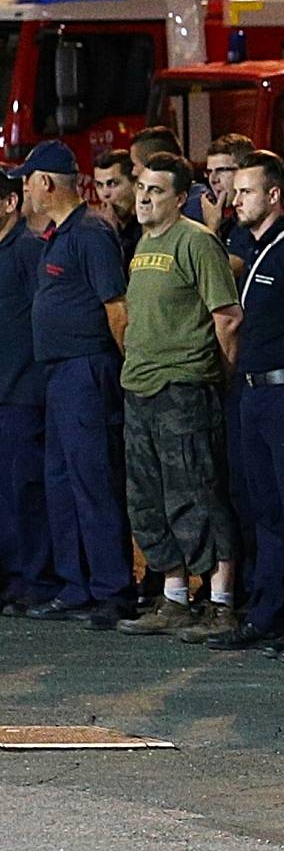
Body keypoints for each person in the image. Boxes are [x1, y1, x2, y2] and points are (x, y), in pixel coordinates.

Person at [117, 153, 242, 639]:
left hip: (183, 387)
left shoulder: (197, 241)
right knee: (147, 498)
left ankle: (221, 603)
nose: (144, 197)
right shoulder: (142, 242)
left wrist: (217, 378)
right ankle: (173, 598)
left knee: (198, 493)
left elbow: (228, 317)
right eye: (141, 187)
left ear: (180, 197)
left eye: (156, 191)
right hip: (140, 388)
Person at [25, 138, 133, 629]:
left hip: (86, 371)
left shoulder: (89, 233)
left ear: (45, 183)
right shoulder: (59, 233)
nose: (25, 190)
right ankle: (76, 585)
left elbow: (116, 307)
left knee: (92, 482)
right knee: (62, 482)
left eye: (28, 180)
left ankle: (112, 590)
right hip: (59, 374)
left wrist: (125, 367)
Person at [211, 152, 284, 652]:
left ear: (275, 196)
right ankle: (266, 611)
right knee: (262, 509)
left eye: (246, 191)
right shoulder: (245, 249)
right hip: (250, 392)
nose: (236, 199)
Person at [0, 170, 54, 611]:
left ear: (10, 203)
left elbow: (44, 318)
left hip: (22, 389)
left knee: (26, 488)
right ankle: (11, 575)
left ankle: (35, 577)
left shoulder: (28, 251)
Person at [94, 151, 141, 264]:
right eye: (99, 185)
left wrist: (111, 234)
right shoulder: (94, 229)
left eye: (113, 184)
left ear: (134, 184)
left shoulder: (148, 226)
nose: (105, 194)